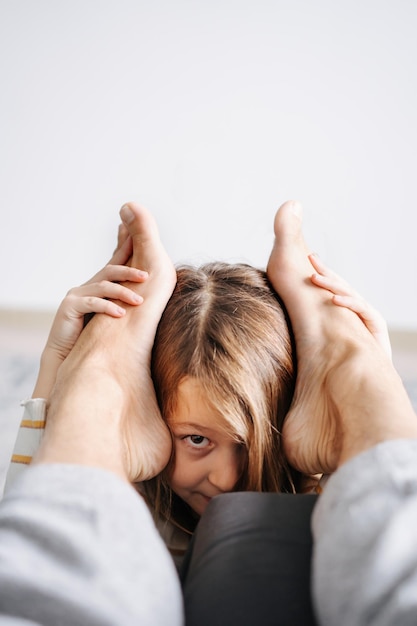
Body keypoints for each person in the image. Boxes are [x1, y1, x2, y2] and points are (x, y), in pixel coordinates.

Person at [5, 207, 390, 570]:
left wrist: (368, 396)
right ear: (147, 409)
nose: (224, 478)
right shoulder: (120, 506)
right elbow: (25, 566)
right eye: (196, 439)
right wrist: (58, 369)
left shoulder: (322, 506)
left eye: (247, 442)